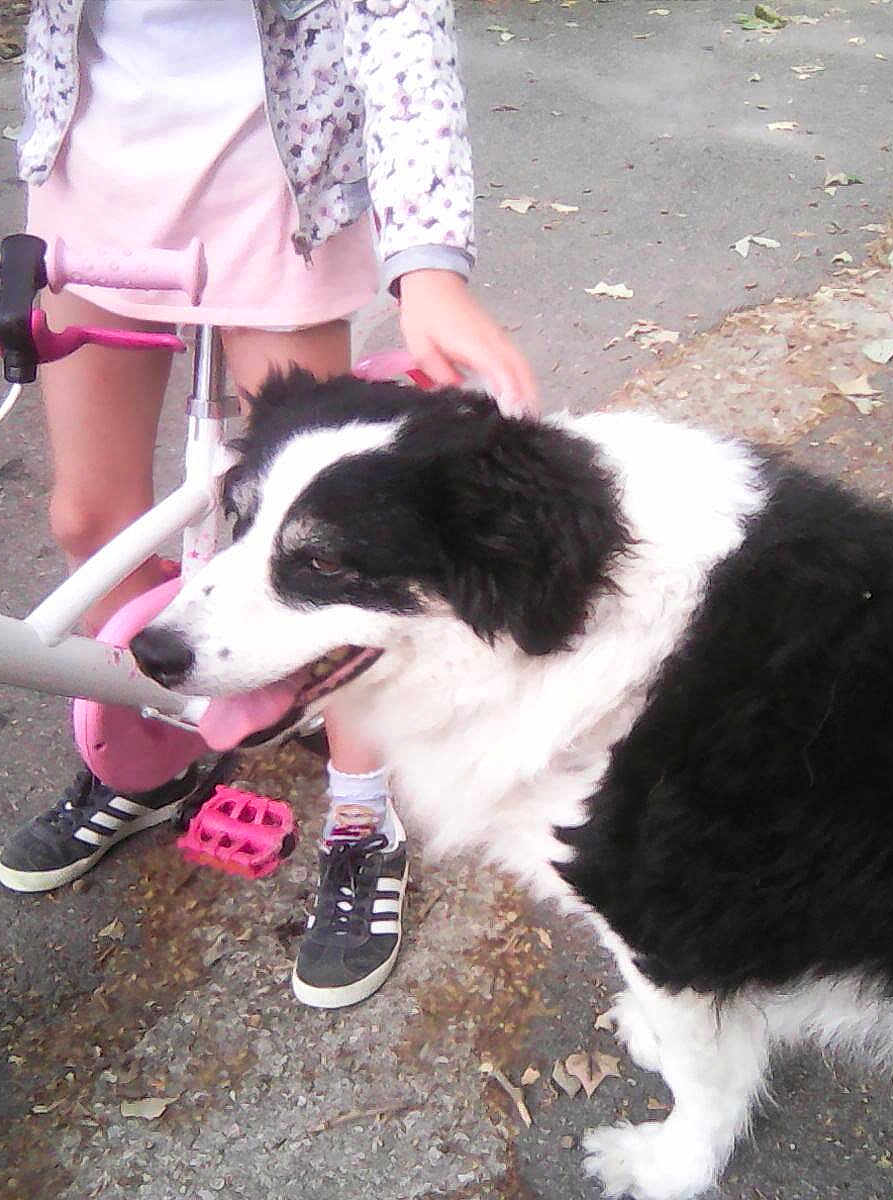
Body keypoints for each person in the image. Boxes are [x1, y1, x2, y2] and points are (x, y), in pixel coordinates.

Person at [0, 0, 537, 1011]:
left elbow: (398, 25)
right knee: (90, 520)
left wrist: (428, 264)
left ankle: (362, 816)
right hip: (92, 173)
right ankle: (145, 760)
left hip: (275, 182)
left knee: (323, 547)